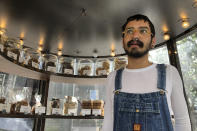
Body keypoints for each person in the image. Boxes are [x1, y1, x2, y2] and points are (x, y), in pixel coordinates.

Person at [103, 14, 191, 131]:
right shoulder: (112, 77)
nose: (135, 35)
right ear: (123, 41)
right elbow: (108, 123)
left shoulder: (169, 72)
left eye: (143, 31)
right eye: (129, 31)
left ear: (153, 41)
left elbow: (182, 121)